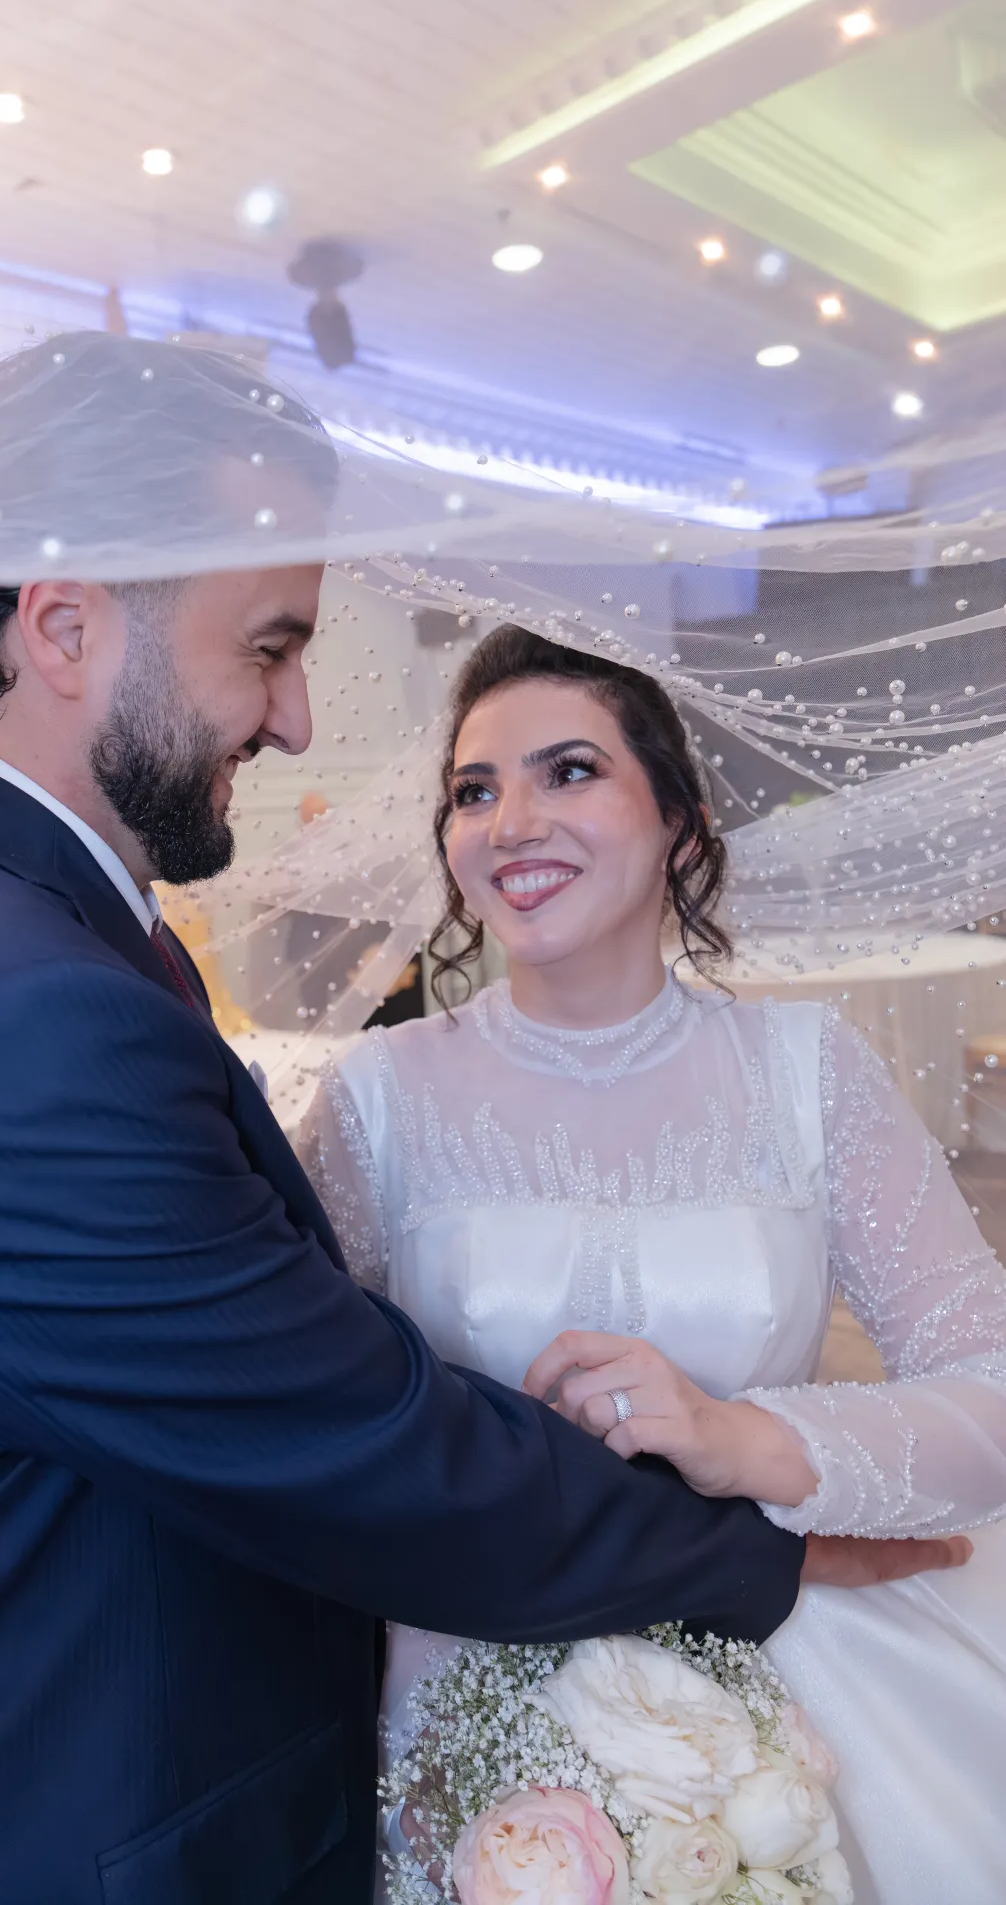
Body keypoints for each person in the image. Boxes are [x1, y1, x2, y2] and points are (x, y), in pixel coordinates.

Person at [0, 339, 950, 1905]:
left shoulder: (2, 933)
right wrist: (760, 1553)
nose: (297, 722)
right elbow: (344, 1434)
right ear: (68, 624)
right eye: (271, 647)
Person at [299, 624, 1006, 1905]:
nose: (510, 819)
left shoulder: (804, 1071)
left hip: (788, 1653)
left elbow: (991, 1390)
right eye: (473, 789)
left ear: (678, 819)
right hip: (450, 1676)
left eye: (567, 770)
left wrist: (744, 1436)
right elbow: (298, 1416)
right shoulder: (377, 1098)